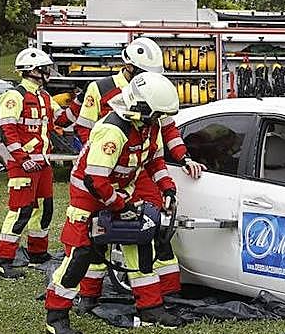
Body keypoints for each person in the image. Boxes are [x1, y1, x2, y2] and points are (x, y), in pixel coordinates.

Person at [44, 72, 185, 334]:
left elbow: (153, 162)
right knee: (80, 256)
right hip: (88, 199)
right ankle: (56, 316)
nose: (159, 120)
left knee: (141, 248)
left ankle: (150, 308)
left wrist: (167, 187)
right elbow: (95, 179)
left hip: (120, 194)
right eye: (156, 115)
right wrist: (121, 205)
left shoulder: (148, 126)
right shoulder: (113, 130)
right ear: (140, 108)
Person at [75, 36, 205, 300]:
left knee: (153, 225)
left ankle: (165, 292)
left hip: (138, 170)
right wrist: (106, 160)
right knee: (96, 234)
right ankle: (89, 295)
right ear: (130, 67)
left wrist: (184, 158)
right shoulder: (101, 89)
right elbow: (85, 130)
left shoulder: (155, 93)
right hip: (103, 170)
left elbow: (167, 132)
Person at [0, 50, 77, 280]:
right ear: (32, 70)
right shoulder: (14, 96)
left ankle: (37, 254)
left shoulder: (44, 96)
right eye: (44, 68)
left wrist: (79, 102)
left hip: (42, 164)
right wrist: (23, 159)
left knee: (45, 209)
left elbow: (62, 120)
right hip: (23, 165)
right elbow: (7, 131)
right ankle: (3, 261)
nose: (48, 72)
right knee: (21, 211)